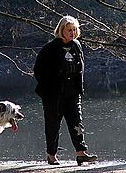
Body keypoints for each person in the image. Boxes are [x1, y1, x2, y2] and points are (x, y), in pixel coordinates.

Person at [33, 15, 98, 166]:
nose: (72, 33)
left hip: (73, 92)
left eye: (75, 29)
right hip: (53, 93)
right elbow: (38, 70)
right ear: (61, 30)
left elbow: (80, 66)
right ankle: (51, 155)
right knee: (53, 124)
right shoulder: (50, 48)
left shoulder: (76, 45)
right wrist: (50, 85)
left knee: (77, 122)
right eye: (69, 30)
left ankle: (81, 153)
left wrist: (78, 86)